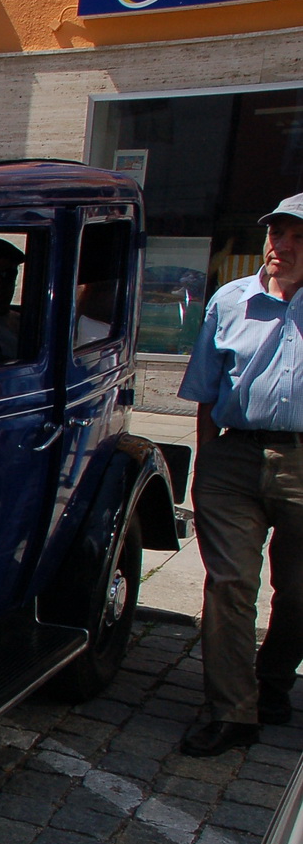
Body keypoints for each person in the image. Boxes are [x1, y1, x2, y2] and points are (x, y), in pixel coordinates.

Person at [177, 195, 303, 757]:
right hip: (233, 458)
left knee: (298, 593)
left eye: (299, 237)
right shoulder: (230, 301)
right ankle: (232, 711)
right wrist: (206, 464)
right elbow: (206, 393)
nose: (283, 246)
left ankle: (273, 684)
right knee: (230, 586)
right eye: (277, 232)